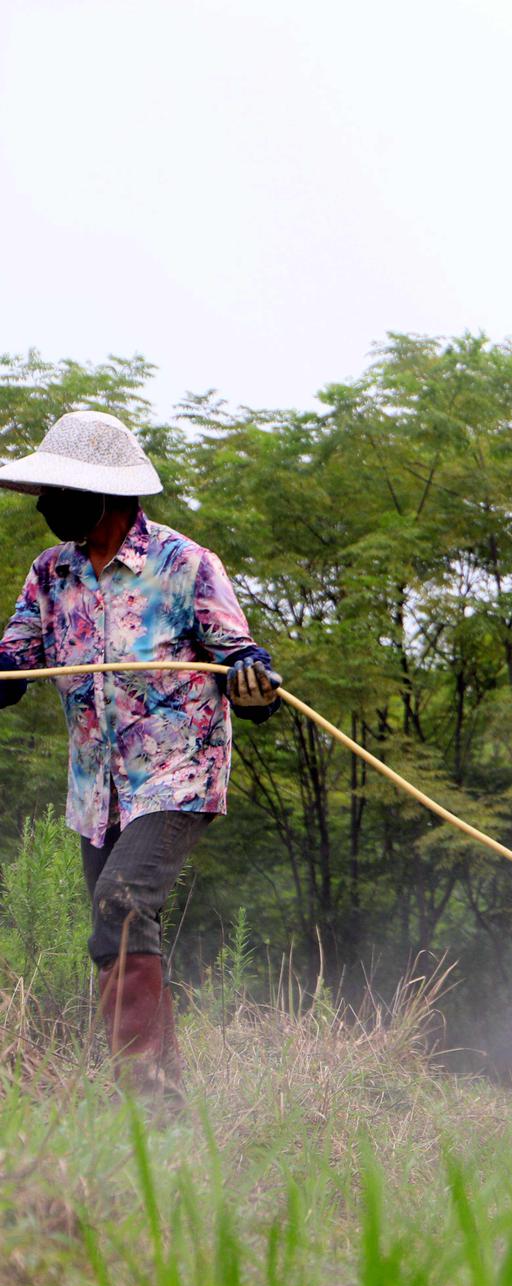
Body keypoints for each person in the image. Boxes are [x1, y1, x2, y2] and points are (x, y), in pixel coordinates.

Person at [0, 411, 283, 1102]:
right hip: (98, 786)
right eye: (46, 492)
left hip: (177, 773)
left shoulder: (184, 564)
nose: (49, 505)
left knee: (123, 901)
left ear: (111, 495)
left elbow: (240, 658)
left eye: (62, 491)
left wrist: (253, 682)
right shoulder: (51, 573)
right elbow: (14, 658)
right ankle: (144, 1100)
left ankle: (154, 1104)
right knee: (109, 922)